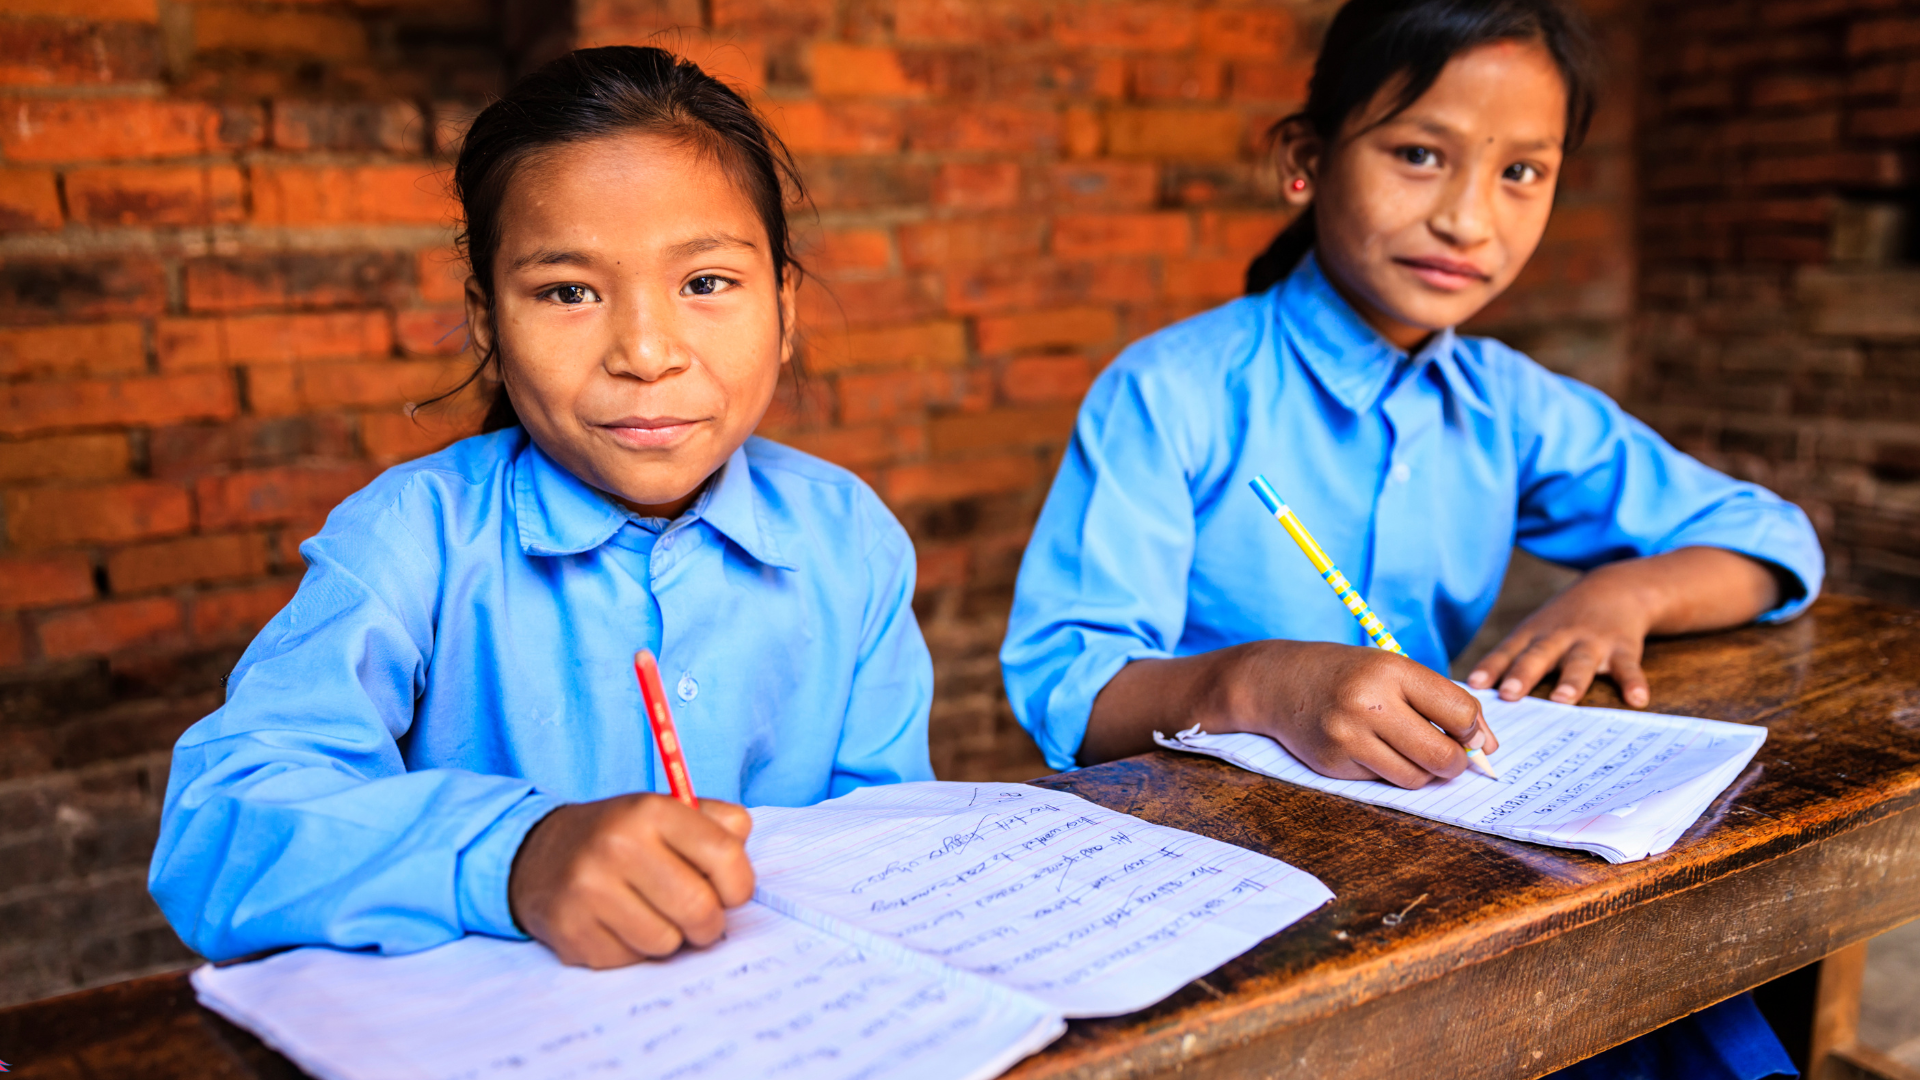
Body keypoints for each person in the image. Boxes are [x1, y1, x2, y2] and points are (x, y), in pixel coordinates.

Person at [1000, 2, 1811, 1076]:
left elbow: (1767, 537)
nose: (1471, 219)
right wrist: (1254, 686)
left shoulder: (1509, 404)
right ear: (1306, 159)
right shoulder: (1175, 394)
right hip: (1219, 884)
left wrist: (1628, 597)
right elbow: (1070, 687)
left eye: (1523, 172)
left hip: (1452, 846)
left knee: (1686, 1016)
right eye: (1421, 154)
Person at [148, 46, 934, 970]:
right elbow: (217, 830)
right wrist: (516, 856)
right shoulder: (413, 540)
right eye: (568, 291)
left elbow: (887, 843)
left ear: (784, 304)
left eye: (706, 283)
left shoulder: (848, 540)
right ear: (487, 318)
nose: (645, 352)